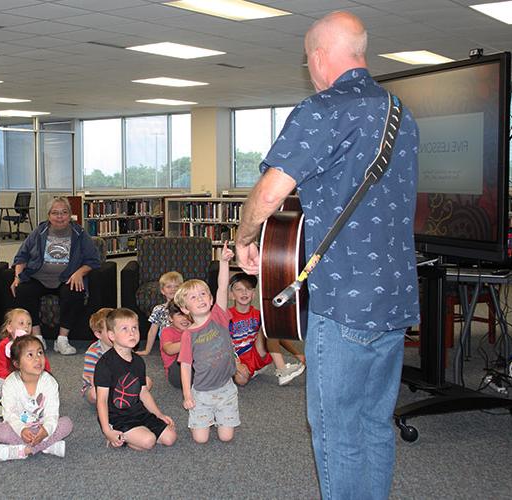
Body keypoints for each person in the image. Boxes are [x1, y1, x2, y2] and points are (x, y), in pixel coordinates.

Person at [233, 11, 419, 500]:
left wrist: (243, 237)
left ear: (317, 56)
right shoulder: (402, 113)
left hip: (344, 301)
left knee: (337, 432)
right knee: (375, 423)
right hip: (396, 298)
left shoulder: (323, 108)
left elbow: (271, 193)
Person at [9, 197, 102, 355]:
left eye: (64, 212)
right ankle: (37, 336)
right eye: (55, 213)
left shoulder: (80, 233)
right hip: (38, 276)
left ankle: (62, 340)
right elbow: (21, 256)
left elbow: (93, 260)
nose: (60, 217)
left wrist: (80, 272)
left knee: (75, 292)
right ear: (49, 215)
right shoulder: (40, 231)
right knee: (23, 290)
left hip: (66, 277)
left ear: (70, 215)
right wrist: (17, 277)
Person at [175, 244, 241, 444]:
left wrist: (223, 261)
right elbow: (185, 366)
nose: (200, 298)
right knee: (200, 440)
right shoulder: (188, 335)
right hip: (202, 392)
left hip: (226, 388)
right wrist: (187, 394)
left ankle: (220, 418)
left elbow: (222, 286)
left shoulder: (219, 316)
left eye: (203, 294)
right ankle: (207, 419)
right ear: (185, 309)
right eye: (193, 297)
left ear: (211, 298)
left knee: (226, 437)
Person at [94, 308, 177, 451]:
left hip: (138, 412)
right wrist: (107, 431)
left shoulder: (138, 361)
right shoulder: (105, 364)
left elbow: (143, 392)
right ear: (112, 335)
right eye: (124, 329)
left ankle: (135, 434)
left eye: (134, 328)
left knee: (170, 438)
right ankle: (120, 437)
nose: (131, 332)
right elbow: (101, 401)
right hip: (117, 418)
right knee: (149, 441)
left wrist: (158, 414)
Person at [0, 334, 72, 461]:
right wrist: (22, 430)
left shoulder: (50, 382)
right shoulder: (10, 383)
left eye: (40, 353)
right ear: (17, 363)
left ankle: (24, 450)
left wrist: (46, 430)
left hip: (42, 426)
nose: (37, 359)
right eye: (30, 355)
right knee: (0, 430)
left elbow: (52, 414)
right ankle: (47, 446)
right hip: (20, 428)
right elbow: (9, 414)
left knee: (67, 423)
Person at [226, 273, 276, 386]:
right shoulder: (227, 315)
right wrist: (237, 364)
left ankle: (282, 369)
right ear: (231, 295)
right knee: (241, 381)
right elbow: (225, 343)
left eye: (248, 289)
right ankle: (250, 371)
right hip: (239, 357)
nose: (244, 293)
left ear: (253, 294)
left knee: (269, 323)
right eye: (239, 289)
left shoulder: (258, 314)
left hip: (257, 352)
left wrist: (298, 354)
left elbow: (280, 337)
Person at [0, 308, 51, 394]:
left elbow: (44, 364)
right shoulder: (3, 345)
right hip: (9, 379)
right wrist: (8, 383)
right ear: (9, 328)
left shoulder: (34, 344)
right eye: (21, 323)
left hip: (31, 378)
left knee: (48, 384)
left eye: (29, 324)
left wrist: (47, 377)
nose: (26, 327)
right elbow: (0, 369)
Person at [137, 271, 183, 356]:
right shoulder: (158, 309)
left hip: (183, 339)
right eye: (169, 286)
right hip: (167, 343)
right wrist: (147, 350)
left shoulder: (186, 307)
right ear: (162, 290)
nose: (173, 289)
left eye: (176, 286)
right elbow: (152, 331)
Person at [82, 307, 113, 404]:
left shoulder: (124, 347)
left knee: (147, 381)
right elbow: (92, 379)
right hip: (95, 385)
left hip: (119, 384)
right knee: (94, 394)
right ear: (98, 334)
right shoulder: (93, 353)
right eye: (109, 330)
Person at [158, 300, 191, 389]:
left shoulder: (193, 329)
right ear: (171, 318)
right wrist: (191, 342)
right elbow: (169, 350)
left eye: (188, 315)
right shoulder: (167, 331)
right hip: (175, 371)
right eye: (180, 315)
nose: (185, 318)